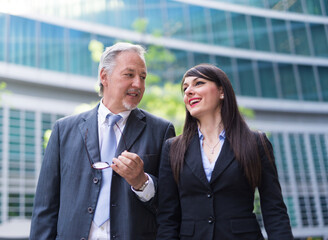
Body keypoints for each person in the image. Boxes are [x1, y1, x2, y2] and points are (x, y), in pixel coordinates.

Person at [30, 42, 175, 240]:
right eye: (129, 74)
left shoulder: (161, 130)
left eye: (143, 77)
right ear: (104, 76)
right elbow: (45, 208)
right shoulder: (63, 130)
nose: (138, 84)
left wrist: (142, 182)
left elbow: (171, 206)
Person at [156, 64, 294, 240]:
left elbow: (274, 210)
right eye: (185, 88)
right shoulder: (172, 148)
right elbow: (167, 218)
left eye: (198, 83)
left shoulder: (255, 142)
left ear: (221, 92)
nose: (189, 91)